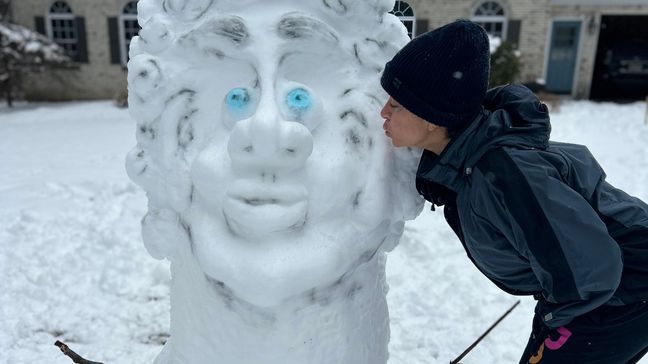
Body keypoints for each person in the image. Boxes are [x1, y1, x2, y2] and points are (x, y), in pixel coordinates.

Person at [379, 19, 648, 363]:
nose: (383, 112)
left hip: (623, 291)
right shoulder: (469, 158)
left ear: (432, 116)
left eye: (396, 104)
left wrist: (552, 321)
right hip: (601, 288)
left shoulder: (501, 173)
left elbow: (592, 272)